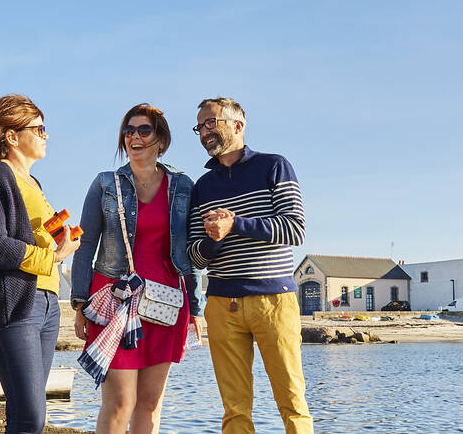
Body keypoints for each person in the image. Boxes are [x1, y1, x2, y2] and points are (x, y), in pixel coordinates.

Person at [69, 104, 207, 433]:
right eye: (128, 131)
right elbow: (85, 245)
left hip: (166, 303)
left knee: (149, 404)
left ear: (161, 139)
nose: (134, 136)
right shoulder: (104, 185)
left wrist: (196, 309)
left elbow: (187, 254)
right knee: (120, 402)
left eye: (143, 130)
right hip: (114, 300)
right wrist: (79, 302)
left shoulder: (183, 186)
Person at [186, 97, 311, 434]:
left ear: (238, 125)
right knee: (234, 409)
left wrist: (236, 223)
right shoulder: (202, 187)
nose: (204, 132)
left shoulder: (274, 166)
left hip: (274, 301)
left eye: (211, 122)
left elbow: (295, 229)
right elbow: (195, 256)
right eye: (199, 127)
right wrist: (214, 240)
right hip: (221, 304)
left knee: (292, 402)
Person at [0, 94, 79, 434]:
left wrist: (59, 242)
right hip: (15, 306)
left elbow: (24, 237)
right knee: (29, 415)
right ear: (11, 136)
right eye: (38, 128)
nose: (45, 134)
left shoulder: (34, 184)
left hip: (46, 304)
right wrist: (52, 257)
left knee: (30, 415)